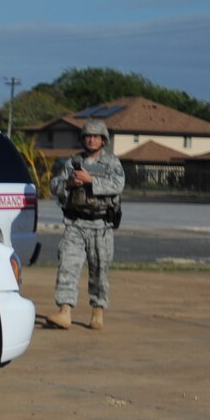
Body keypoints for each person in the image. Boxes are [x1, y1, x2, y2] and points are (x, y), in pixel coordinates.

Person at [44, 118, 125, 330]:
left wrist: (91, 181)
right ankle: (64, 311)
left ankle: (97, 311)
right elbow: (54, 185)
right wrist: (69, 183)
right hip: (76, 224)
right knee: (67, 266)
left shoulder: (111, 163)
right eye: (88, 136)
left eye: (96, 137)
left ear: (103, 140)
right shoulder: (73, 162)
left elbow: (118, 184)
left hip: (101, 225)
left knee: (100, 269)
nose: (91, 140)